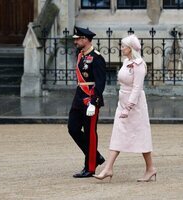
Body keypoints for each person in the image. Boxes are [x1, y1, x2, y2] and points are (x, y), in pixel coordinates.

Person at [93, 34, 157, 182]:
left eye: (123, 46)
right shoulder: (126, 61)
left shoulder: (139, 64)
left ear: (131, 48)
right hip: (122, 103)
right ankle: (108, 168)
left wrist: (128, 107)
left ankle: (150, 168)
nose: (121, 48)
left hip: (135, 106)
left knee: (141, 136)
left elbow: (137, 87)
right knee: (118, 133)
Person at [68, 26, 106, 178]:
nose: (75, 41)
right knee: (73, 128)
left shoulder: (97, 58)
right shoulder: (81, 55)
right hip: (79, 96)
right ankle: (96, 157)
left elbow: (100, 82)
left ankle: (90, 166)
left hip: (90, 98)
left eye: (77, 39)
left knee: (90, 133)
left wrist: (94, 101)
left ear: (85, 39)